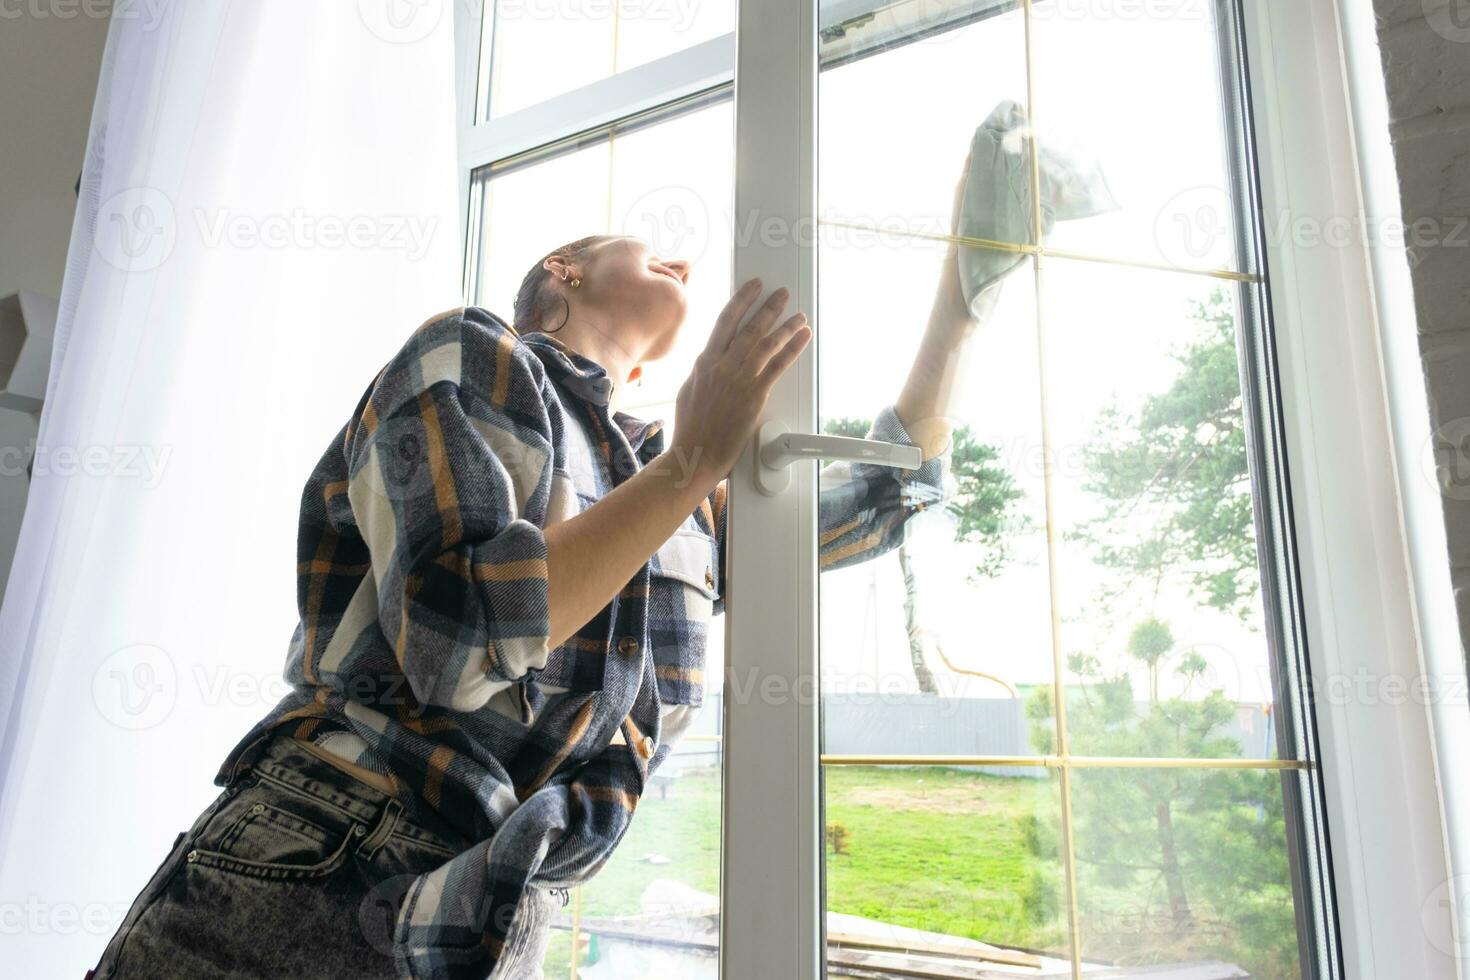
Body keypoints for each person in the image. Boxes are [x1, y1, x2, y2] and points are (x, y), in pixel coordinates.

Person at [89, 189, 994, 979]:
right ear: (565, 271)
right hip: (324, 856)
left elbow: (880, 494)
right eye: (647, 250)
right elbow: (451, 644)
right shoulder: (474, 354)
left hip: (496, 912)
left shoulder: (662, 485)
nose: (681, 260)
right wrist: (689, 462)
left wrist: (964, 294)